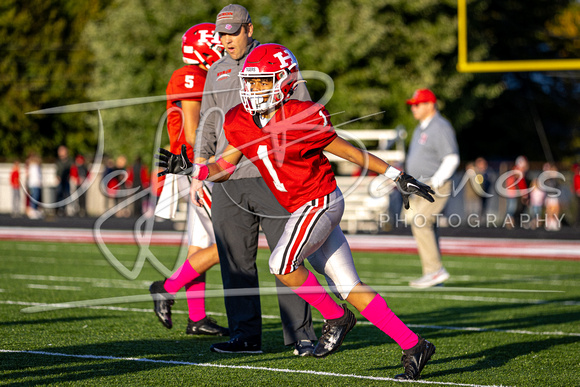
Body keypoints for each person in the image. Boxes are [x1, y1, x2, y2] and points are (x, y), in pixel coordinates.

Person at [158, 43, 437, 380]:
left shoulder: (302, 115)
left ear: (283, 82)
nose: (252, 89)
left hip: (321, 201)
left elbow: (348, 152)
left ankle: (335, 318)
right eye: (250, 81)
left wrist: (397, 176)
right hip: (301, 208)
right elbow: (225, 167)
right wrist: (192, 169)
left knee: (281, 263)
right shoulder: (240, 119)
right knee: (349, 286)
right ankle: (413, 344)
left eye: (262, 82)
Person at [194, 5, 317, 356]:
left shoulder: (276, 60)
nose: (226, 39)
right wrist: (199, 168)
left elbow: (304, 112)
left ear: (249, 29)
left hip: (273, 177)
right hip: (228, 180)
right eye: (221, 33)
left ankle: (301, 336)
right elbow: (207, 122)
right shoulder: (216, 70)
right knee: (235, 263)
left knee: (287, 259)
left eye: (233, 32)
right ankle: (244, 337)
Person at [148, 23, 229, 337]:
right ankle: (166, 287)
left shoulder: (198, 75)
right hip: (195, 166)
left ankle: (196, 318)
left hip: (191, 166)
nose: (222, 49)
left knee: (201, 244)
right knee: (231, 242)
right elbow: (195, 132)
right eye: (217, 44)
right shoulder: (190, 76)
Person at [404, 89, 459, 288]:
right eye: (412, 105)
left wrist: (436, 181)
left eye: (417, 104)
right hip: (420, 186)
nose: (413, 108)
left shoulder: (440, 126)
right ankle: (434, 274)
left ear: (430, 104)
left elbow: (452, 157)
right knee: (424, 224)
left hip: (434, 185)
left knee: (420, 222)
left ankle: (434, 271)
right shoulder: (421, 127)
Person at [504, 155, 530, 228]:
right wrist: (525, 194)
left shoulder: (515, 170)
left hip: (512, 192)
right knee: (512, 207)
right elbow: (521, 183)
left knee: (513, 207)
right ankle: (509, 221)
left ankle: (511, 221)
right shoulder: (518, 171)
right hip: (512, 192)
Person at [55, 145, 72, 216]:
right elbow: (57, 171)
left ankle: (64, 209)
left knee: (66, 194)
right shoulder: (58, 161)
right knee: (59, 194)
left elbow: (72, 170)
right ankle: (59, 209)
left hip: (67, 180)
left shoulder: (69, 161)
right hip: (60, 180)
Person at [26, 153, 43, 219]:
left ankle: (35, 209)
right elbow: (34, 176)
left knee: (37, 197)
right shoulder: (33, 166)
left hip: (36, 184)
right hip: (34, 184)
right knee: (34, 197)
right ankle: (32, 210)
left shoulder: (36, 166)